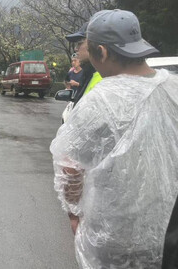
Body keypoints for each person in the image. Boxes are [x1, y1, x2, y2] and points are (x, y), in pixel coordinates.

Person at [50, 9, 178, 268]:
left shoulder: (101, 100)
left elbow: (71, 167)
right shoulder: (173, 88)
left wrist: (74, 214)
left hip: (114, 235)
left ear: (103, 52)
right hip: (167, 230)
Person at [65, 22, 102, 107]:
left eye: (80, 43)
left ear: (97, 45)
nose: (76, 48)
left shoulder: (103, 80)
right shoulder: (88, 74)